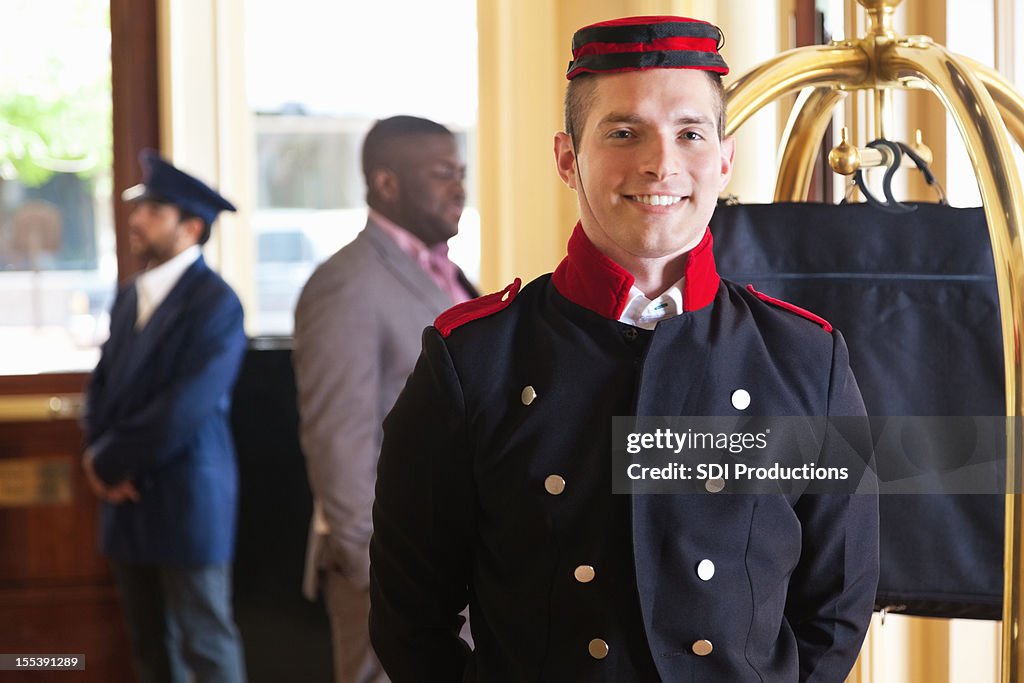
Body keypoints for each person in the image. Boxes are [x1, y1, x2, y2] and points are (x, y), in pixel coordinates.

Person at [369, 16, 879, 682]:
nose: (661, 163)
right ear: (566, 157)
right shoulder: (472, 361)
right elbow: (410, 620)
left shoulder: (808, 360)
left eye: (690, 133)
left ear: (723, 159)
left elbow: (836, 607)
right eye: (623, 132)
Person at [293, 115, 477, 683]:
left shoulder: (448, 272)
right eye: (442, 173)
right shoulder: (346, 283)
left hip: (451, 563)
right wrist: (380, 570)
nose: (459, 188)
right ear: (387, 183)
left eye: (461, 172)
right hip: (387, 571)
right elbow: (337, 441)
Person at [82, 150, 248, 682]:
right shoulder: (129, 296)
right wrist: (99, 461)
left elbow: (185, 407)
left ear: (191, 226)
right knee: (150, 649)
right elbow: (102, 386)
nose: (136, 219)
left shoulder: (217, 303)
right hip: (124, 499)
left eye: (153, 210)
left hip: (186, 499)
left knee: (204, 642)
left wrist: (108, 461)